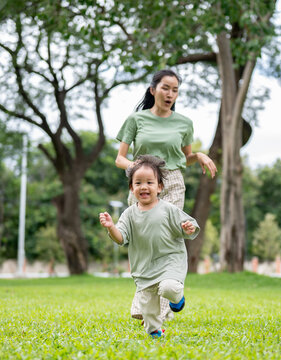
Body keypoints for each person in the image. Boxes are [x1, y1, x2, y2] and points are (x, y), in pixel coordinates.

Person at [115, 69, 217, 321]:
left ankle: (160, 310)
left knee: (168, 236)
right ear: (153, 90)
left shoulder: (184, 123)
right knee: (141, 239)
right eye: (165, 88)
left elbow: (185, 158)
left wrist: (200, 155)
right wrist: (138, 173)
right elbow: (119, 158)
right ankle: (148, 294)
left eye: (175, 90)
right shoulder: (136, 120)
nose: (170, 94)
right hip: (142, 182)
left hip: (171, 182)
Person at [99, 155, 200, 338]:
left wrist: (188, 227)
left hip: (170, 261)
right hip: (144, 268)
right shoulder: (129, 214)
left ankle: (177, 301)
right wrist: (111, 227)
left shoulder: (168, 209)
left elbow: (188, 228)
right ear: (132, 188)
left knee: (169, 288)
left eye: (149, 182)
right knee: (148, 310)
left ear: (159, 187)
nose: (143, 187)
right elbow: (121, 238)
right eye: (138, 183)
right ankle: (155, 333)